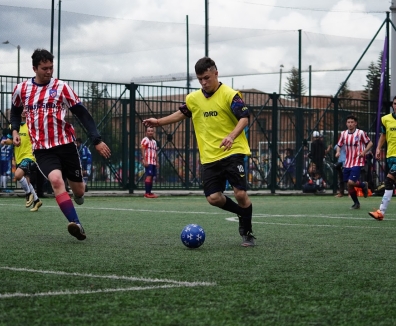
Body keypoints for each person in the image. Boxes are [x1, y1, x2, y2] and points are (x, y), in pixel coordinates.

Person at [143, 57, 255, 247]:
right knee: (213, 198)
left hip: (232, 150)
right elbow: (182, 113)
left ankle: (247, 231)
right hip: (209, 156)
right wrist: (159, 122)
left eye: (206, 77)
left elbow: (244, 117)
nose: (203, 82)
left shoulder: (230, 95)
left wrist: (231, 136)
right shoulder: (194, 98)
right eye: (200, 79)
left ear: (216, 73)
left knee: (240, 194)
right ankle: (241, 212)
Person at [10, 48, 111, 240]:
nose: (49, 71)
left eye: (51, 68)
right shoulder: (21, 89)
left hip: (66, 145)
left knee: (79, 193)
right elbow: (15, 112)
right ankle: (77, 225)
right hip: (42, 149)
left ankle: (77, 195)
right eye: (44, 68)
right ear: (34, 68)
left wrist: (96, 139)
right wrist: (15, 130)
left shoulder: (61, 87)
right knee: (56, 180)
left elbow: (82, 113)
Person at [1, 111, 42, 211]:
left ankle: (28, 194)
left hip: (30, 156)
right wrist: (6, 142)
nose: (23, 111)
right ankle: (37, 201)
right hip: (19, 157)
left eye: (26, 108)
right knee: (26, 180)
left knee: (18, 175)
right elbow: (12, 140)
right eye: (21, 109)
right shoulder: (13, 127)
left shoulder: (32, 125)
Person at [335, 115, 372, 209]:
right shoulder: (343, 134)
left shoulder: (360, 133)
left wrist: (364, 152)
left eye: (352, 122)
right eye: (348, 122)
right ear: (346, 124)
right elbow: (339, 144)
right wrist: (338, 152)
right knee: (349, 184)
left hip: (358, 161)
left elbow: (370, 143)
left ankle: (363, 185)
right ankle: (356, 203)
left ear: (355, 123)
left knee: (351, 182)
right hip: (348, 162)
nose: (350, 124)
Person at [369, 96, 396, 220]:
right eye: (395, 103)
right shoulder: (386, 119)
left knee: (389, 181)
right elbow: (383, 135)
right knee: (390, 183)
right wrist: (378, 148)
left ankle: (380, 212)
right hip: (391, 156)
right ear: (392, 105)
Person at [141, 127, 159, 198]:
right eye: (149, 131)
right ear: (146, 132)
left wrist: (157, 162)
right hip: (148, 161)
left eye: (151, 131)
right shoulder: (145, 140)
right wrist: (144, 160)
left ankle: (150, 192)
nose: (150, 132)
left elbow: (155, 152)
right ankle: (147, 193)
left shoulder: (154, 142)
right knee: (148, 176)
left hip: (153, 162)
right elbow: (142, 149)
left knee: (151, 177)